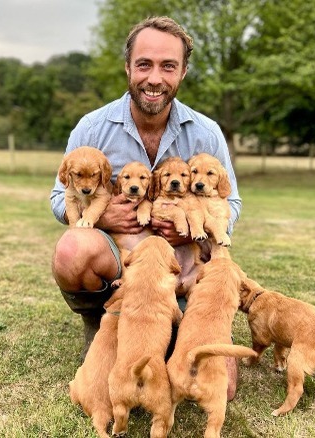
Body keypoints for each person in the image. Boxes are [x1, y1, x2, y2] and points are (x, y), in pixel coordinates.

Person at [50, 17, 242, 399]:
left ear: (183, 72)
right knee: (73, 249)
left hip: (183, 260)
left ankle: (179, 315)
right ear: (128, 67)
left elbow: (230, 201)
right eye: (144, 64)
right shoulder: (91, 128)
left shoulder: (206, 132)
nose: (155, 78)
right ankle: (102, 319)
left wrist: (191, 228)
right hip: (125, 258)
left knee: (224, 386)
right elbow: (59, 198)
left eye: (168, 66)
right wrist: (102, 214)